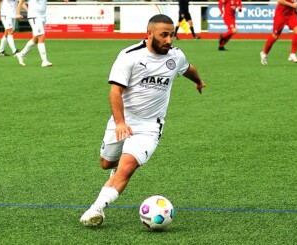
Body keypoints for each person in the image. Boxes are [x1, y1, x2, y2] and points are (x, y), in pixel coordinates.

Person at [80, 14, 206, 227]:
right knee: (106, 163)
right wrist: (120, 123)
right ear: (149, 34)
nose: (169, 40)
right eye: (163, 35)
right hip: (123, 120)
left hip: (150, 125)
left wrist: (199, 81)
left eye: (171, 35)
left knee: (127, 167)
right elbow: (115, 92)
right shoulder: (129, 56)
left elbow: (188, 68)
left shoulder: (175, 56)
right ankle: (115, 170)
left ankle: (96, 209)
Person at [15, 0, 67, 67]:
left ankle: (21, 54)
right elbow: (21, 1)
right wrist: (17, 13)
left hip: (42, 16)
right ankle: (44, 61)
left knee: (35, 39)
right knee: (41, 36)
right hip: (34, 16)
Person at [260, 0, 297, 65]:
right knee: (275, 36)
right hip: (280, 15)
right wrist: (292, 5)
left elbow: (294, 2)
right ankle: (264, 53)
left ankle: (292, 54)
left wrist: (295, 10)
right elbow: (280, 0)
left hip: (291, 15)